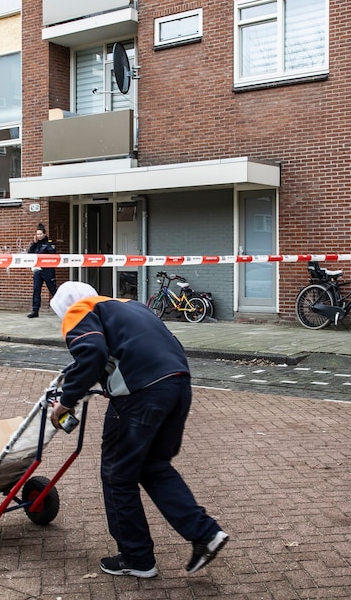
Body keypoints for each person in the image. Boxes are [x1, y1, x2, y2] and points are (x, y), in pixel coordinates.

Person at [47, 281, 228, 579]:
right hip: (178, 383)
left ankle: (136, 557)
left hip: (141, 394)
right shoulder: (130, 306)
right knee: (154, 465)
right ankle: (205, 533)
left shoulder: (79, 309)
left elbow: (91, 350)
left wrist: (66, 402)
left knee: (118, 474)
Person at [26, 224, 58, 318]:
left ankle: (63, 308)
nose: (39, 236)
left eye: (40, 234)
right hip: (38, 271)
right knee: (36, 290)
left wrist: (45, 247)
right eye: (37, 234)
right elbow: (30, 253)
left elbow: (53, 254)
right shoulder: (36, 244)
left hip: (48, 270)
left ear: (44, 234)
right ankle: (35, 311)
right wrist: (34, 243)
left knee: (53, 290)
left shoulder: (49, 243)